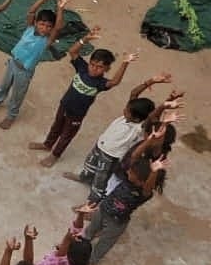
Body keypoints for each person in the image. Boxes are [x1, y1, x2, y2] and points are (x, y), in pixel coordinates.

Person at [28, 33, 137, 166]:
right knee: (56, 126)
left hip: (77, 115)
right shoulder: (82, 68)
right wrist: (85, 39)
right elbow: (72, 51)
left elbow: (115, 81)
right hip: (64, 105)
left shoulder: (101, 83)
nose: (94, 68)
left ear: (107, 69)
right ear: (89, 62)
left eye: (99, 67)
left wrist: (125, 63)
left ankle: (55, 155)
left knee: (66, 135)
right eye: (92, 64)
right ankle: (47, 144)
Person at [63, 79, 179, 201]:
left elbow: (152, 117)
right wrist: (151, 82)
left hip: (110, 157)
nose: (124, 110)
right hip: (100, 146)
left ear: (136, 118)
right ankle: (84, 178)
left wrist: (165, 104)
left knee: (100, 181)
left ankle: (93, 201)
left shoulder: (139, 128)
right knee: (89, 165)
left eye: (127, 111)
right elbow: (134, 93)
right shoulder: (127, 116)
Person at [0, 0, 69, 129]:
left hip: (25, 72)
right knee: (3, 86)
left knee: (17, 95)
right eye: (42, 24)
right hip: (13, 63)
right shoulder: (30, 28)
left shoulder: (47, 40)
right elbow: (32, 11)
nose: (44, 28)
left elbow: (58, 27)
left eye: (48, 26)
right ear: (36, 23)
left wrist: (61, 8)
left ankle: (11, 116)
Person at [84, 125, 173, 265]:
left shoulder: (142, 193)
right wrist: (149, 140)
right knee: (88, 232)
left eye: (132, 172)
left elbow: (149, 185)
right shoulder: (128, 178)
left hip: (116, 223)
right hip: (102, 210)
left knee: (103, 245)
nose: (128, 172)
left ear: (141, 180)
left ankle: (90, 263)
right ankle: (80, 246)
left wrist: (154, 171)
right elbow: (134, 156)